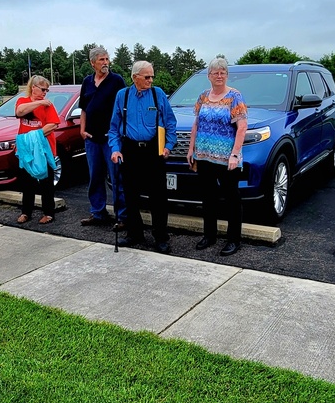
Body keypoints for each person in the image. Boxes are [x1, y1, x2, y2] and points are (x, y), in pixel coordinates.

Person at [109, 61, 177, 254]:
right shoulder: (122, 96)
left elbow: (170, 122)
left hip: (153, 150)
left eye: (152, 76)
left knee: (158, 197)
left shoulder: (158, 94)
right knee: (130, 195)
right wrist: (115, 149)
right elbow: (114, 127)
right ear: (135, 77)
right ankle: (134, 233)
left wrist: (168, 146)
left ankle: (161, 237)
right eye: (147, 77)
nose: (150, 80)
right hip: (130, 150)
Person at [186, 57, 248, 257]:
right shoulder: (203, 96)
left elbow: (242, 127)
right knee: (208, 197)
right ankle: (209, 235)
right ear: (209, 76)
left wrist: (235, 154)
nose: (219, 76)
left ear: (227, 75)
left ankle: (233, 240)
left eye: (223, 72)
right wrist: (191, 149)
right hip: (204, 156)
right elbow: (196, 124)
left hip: (226, 158)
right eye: (215, 72)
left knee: (231, 198)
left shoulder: (234, 97)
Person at [78, 46, 127, 228]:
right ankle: (98, 212)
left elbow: (124, 108)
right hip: (91, 138)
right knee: (95, 177)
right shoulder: (87, 82)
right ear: (93, 63)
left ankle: (122, 216)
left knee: (117, 178)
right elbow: (84, 108)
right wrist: (82, 130)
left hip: (111, 138)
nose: (105, 63)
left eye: (107, 59)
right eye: (101, 60)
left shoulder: (116, 81)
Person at [14, 75, 59, 224]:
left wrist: (34, 137)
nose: (45, 92)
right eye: (43, 89)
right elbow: (19, 112)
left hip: (44, 149)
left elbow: (53, 124)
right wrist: (38, 102)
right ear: (33, 88)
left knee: (46, 182)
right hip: (26, 150)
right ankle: (26, 212)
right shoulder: (23, 101)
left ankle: (49, 212)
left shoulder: (48, 105)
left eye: (47, 90)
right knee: (27, 182)